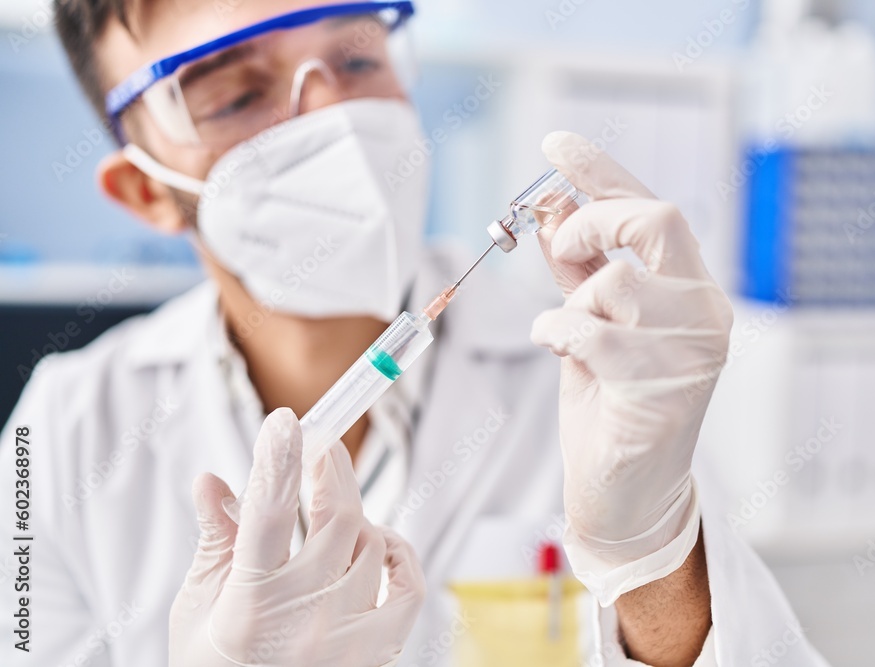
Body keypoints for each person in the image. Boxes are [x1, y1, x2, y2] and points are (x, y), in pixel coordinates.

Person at [0, 1, 830, 665]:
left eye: (359, 57)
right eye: (239, 93)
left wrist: (651, 551)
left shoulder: (598, 371)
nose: (332, 113)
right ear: (144, 192)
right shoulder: (60, 435)